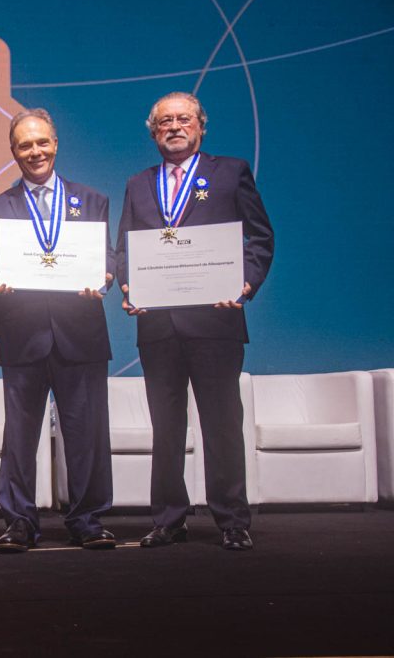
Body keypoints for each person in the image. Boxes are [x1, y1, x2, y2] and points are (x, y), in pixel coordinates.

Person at [116, 91, 274, 551]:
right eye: (164, 120)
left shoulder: (230, 172)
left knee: (222, 423)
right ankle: (168, 519)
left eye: (184, 118)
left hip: (215, 322)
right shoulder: (138, 184)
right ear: (153, 131)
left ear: (201, 126)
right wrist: (129, 286)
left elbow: (259, 237)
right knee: (166, 428)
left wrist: (245, 283)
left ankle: (232, 519)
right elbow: (126, 248)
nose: (174, 126)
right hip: (159, 326)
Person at [0, 109, 116, 552]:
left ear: (56, 143)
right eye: (24, 145)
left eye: (42, 143)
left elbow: (107, 256)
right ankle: (19, 522)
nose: (35, 152)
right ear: (13, 152)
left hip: (81, 332)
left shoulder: (91, 200)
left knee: (87, 432)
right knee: (19, 436)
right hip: (22, 333)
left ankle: (88, 519)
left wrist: (106, 275)